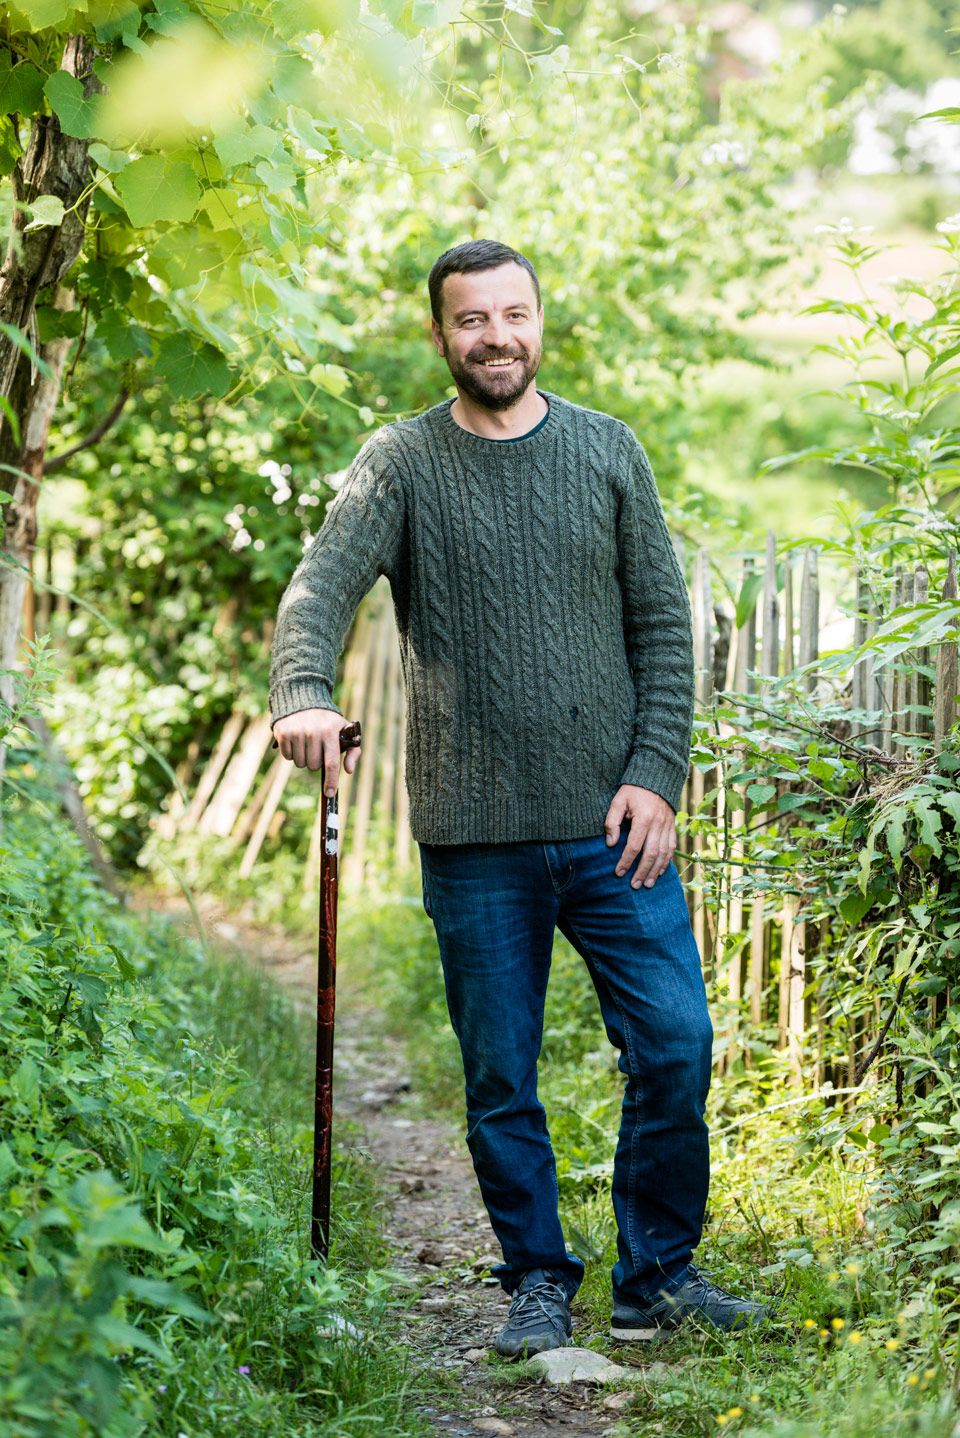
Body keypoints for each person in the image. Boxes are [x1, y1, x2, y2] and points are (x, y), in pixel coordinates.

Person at [269, 239, 768, 1355]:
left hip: (612, 827)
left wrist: (654, 777)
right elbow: (320, 588)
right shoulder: (399, 462)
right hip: (474, 835)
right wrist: (302, 691)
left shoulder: (608, 451)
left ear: (541, 320)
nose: (497, 336)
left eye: (514, 314)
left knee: (677, 1042)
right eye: (471, 320)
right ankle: (536, 1278)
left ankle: (658, 1274)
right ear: (440, 333)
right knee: (502, 1072)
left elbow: (660, 632)